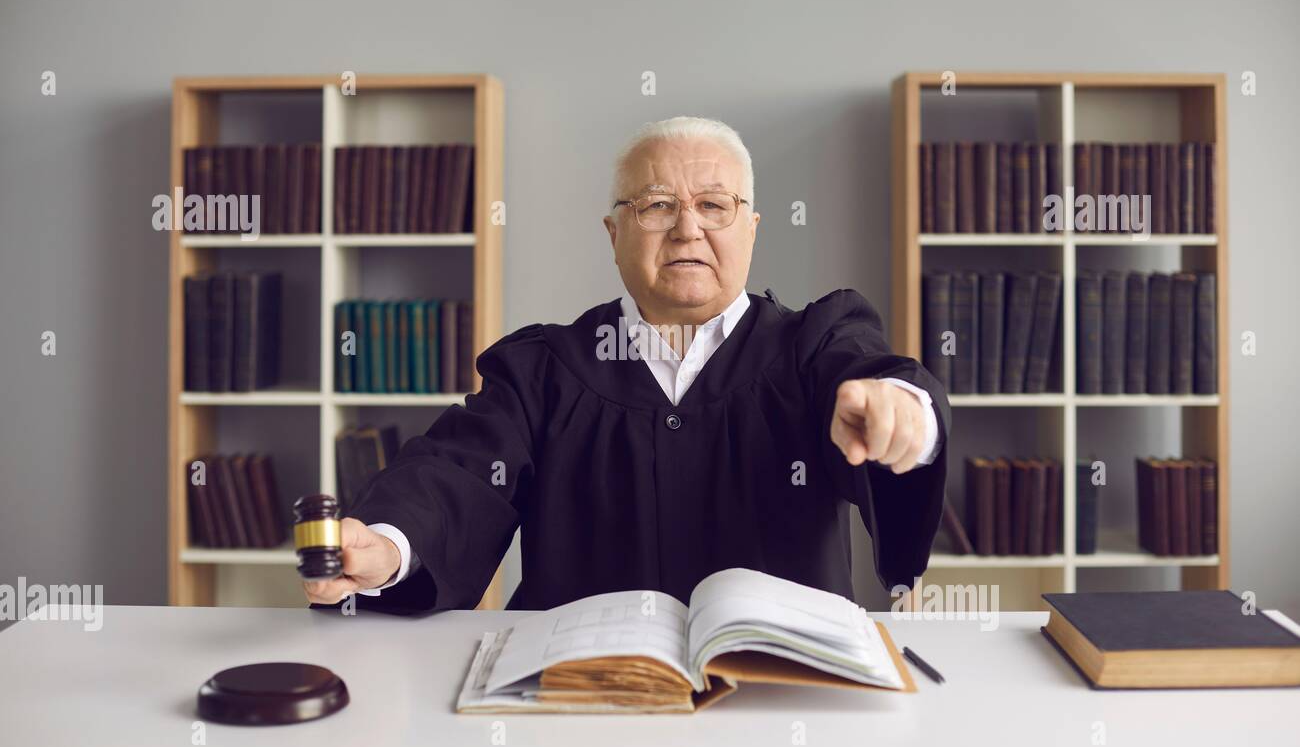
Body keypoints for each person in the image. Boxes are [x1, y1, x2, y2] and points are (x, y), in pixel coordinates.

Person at [304, 116, 949, 613]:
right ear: (615, 233)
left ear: (750, 229)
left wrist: (902, 411)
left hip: (775, 702)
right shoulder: (544, 369)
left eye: (714, 205)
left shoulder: (812, 346)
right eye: (656, 204)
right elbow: (460, 471)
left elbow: (870, 372)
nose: (687, 229)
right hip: (579, 709)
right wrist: (391, 545)